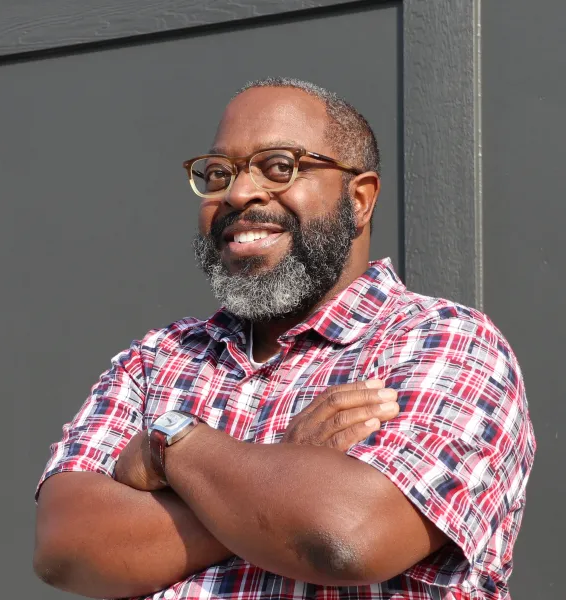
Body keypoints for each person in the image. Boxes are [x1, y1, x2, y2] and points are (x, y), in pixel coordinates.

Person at [33, 77, 535, 600]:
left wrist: (169, 450)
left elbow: (347, 536)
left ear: (359, 199)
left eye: (279, 166)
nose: (238, 193)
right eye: (219, 173)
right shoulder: (157, 359)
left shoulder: (443, 343)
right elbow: (65, 548)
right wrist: (284, 468)